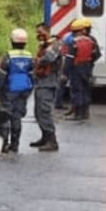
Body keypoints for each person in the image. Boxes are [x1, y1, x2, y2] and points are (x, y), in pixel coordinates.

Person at [0, 28, 33, 154]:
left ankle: (4, 144)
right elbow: (32, 75)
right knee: (17, 118)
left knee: (4, 116)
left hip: (9, 90)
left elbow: (1, 76)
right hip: (23, 90)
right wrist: (29, 91)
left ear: (12, 41)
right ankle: (15, 145)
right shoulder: (29, 56)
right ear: (25, 43)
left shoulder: (8, 56)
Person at [30, 23, 61, 151]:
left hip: (48, 82)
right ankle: (44, 137)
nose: (39, 35)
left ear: (47, 31)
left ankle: (52, 141)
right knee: (38, 112)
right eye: (37, 32)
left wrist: (36, 60)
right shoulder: (44, 45)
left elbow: (48, 58)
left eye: (41, 32)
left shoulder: (54, 45)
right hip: (41, 82)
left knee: (44, 111)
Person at [67, 18, 101, 121]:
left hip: (76, 68)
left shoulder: (74, 41)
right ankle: (85, 113)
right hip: (87, 68)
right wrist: (90, 63)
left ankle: (77, 114)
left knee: (77, 90)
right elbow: (97, 54)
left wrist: (65, 72)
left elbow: (70, 58)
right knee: (86, 89)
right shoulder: (92, 40)